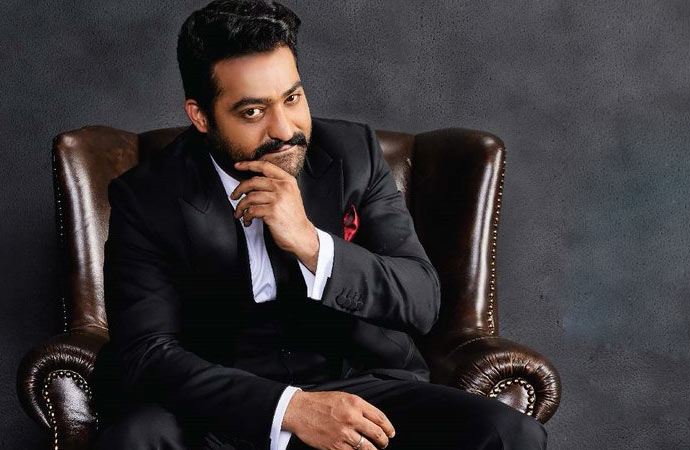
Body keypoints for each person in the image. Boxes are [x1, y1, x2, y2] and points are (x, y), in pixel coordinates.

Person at [90, 1, 548, 449]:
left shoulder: (351, 154)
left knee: (508, 433)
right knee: (138, 437)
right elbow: (147, 352)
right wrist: (288, 408)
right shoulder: (148, 196)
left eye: (292, 98)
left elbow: (421, 300)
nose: (284, 129)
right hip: (228, 402)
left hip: (360, 385)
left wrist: (312, 244)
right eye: (252, 112)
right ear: (201, 116)